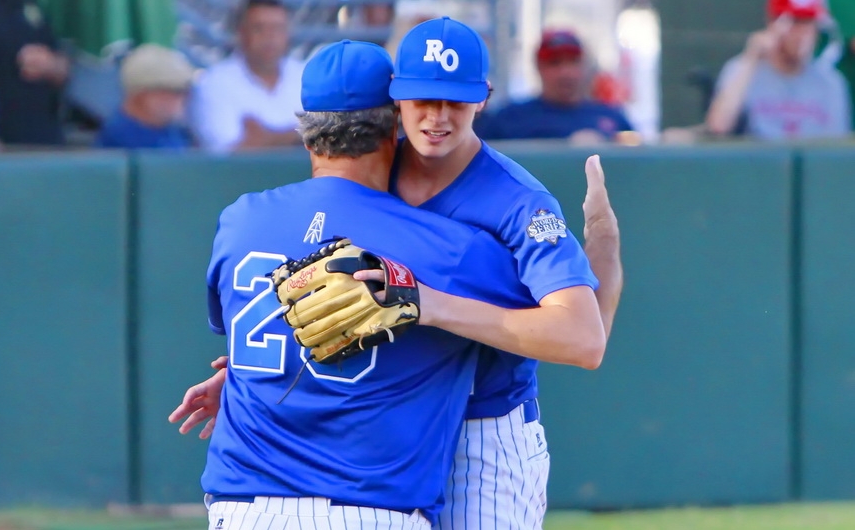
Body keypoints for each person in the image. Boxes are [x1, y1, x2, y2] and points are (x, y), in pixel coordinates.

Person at [172, 18, 624, 530]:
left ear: (483, 98)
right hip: (391, 423)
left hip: (484, 424)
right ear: (394, 105)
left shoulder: (518, 202)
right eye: (421, 99)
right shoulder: (376, 163)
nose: (436, 116)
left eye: (455, 100)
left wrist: (427, 302)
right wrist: (261, 370)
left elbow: (584, 338)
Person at [705, 0, 851, 140]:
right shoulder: (742, 69)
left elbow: (836, 148)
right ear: (773, 24)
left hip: (812, 163)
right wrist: (751, 58)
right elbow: (719, 126)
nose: (803, 33)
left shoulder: (830, 81)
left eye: (809, 23)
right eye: (795, 22)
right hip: (759, 161)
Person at [474, 29, 635, 144]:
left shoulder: (612, 117)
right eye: (554, 63)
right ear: (538, 67)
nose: (565, 72)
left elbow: (637, 161)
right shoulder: (509, 118)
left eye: (573, 62)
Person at [189, 0, 304, 152]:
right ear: (240, 33)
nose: (269, 37)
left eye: (277, 28)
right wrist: (301, 134)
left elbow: (331, 140)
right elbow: (230, 153)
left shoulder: (306, 75)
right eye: (258, 28)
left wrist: (267, 138)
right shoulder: (214, 83)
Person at [0, 0, 69, 145]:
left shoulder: (31, 8)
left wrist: (53, 65)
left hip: (44, 135)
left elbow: (63, 67)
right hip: (5, 140)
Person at [95, 44, 194, 149]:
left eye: (186, 90)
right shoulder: (121, 136)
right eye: (175, 90)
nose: (183, 97)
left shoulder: (174, 130)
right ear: (141, 95)